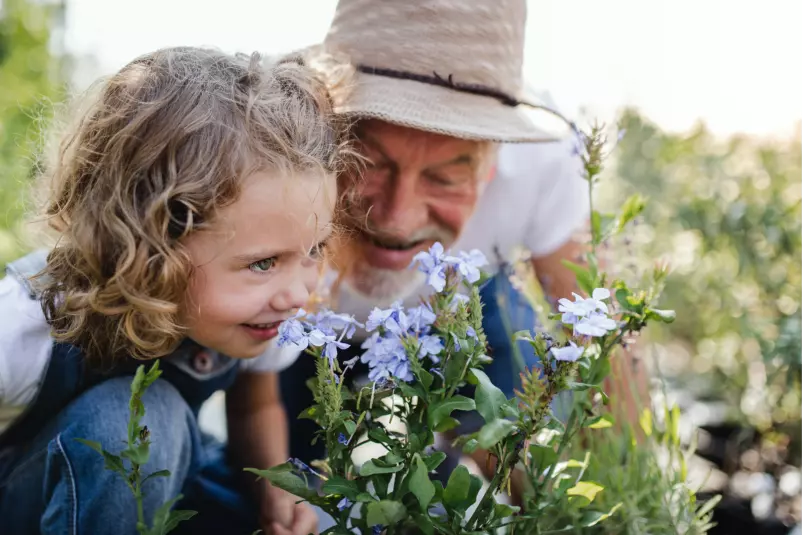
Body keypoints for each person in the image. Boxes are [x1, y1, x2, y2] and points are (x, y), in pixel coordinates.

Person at [0, 46, 351, 535]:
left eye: (314, 249)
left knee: (337, 513)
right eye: (263, 263)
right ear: (154, 240)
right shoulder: (29, 324)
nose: (297, 293)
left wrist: (275, 492)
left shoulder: (258, 314)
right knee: (134, 420)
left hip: (171, 477)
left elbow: (256, 401)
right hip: (33, 502)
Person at [279, 0, 601, 490]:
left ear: (490, 163)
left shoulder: (545, 164)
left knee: (530, 464)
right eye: (368, 164)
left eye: (444, 178)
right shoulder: (270, 142)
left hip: (460, 309)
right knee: (298, 489)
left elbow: (601, 338)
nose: (395, 217)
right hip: (305, 330)